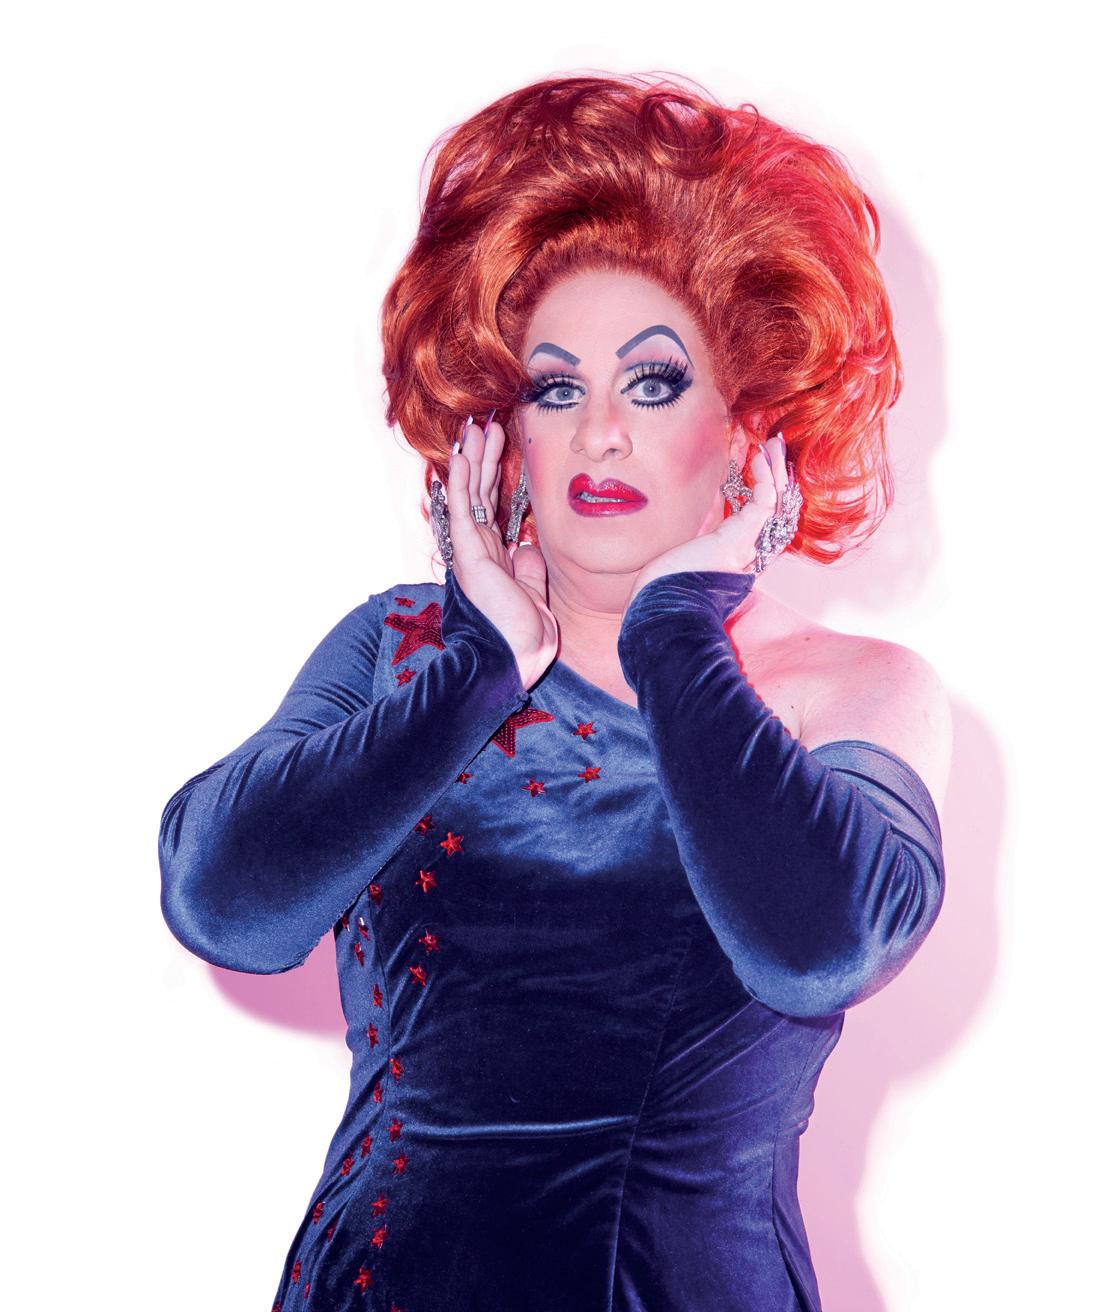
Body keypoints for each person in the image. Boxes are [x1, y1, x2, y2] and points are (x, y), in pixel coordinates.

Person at [159, 72, 951, 1312]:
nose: (599, 433)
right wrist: (480, 665)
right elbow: (224, 907)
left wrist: (677, 637)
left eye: (653, 382)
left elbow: (818, 947)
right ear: (501, 424)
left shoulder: (856, 690)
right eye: (555, 386)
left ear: (748, 426)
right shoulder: (404, 651)